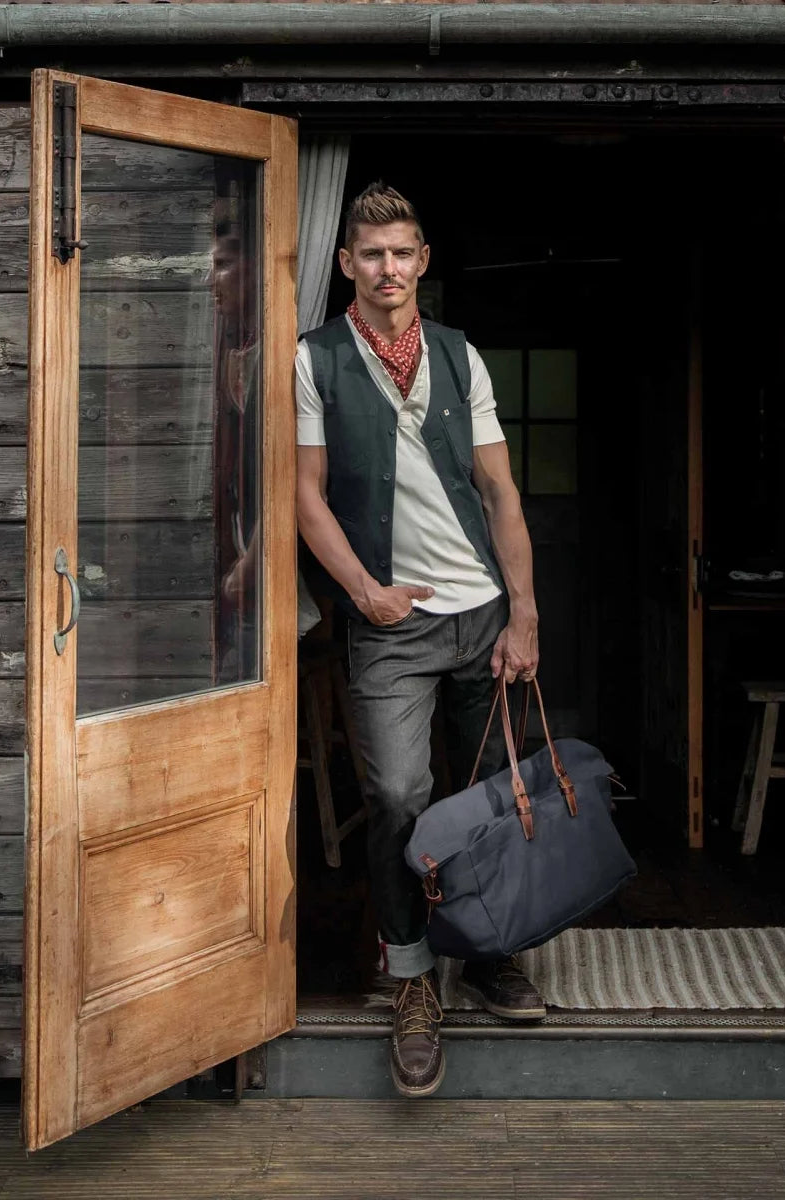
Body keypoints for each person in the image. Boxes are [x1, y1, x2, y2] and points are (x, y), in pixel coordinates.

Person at [295, 183, 543, 1097]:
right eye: (372, 255)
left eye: (403, 253)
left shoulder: (458, 355)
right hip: (390, 624)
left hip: (481, 613)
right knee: (399, 795)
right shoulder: (314, 359)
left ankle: (482, 953)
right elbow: (303, 496)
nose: (388, 269)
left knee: (488, 798)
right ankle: (410, 979)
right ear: (347, 264)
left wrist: (524, 612)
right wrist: (365, 593)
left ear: (422, 260)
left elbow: (501, 493)